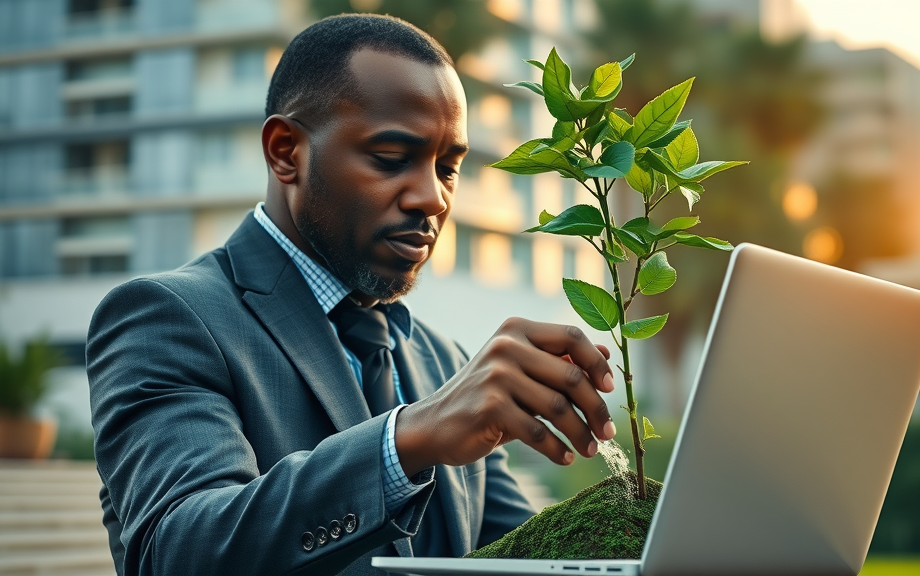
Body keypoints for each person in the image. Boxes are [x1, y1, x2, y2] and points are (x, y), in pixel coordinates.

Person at [87, 13, 617, 576]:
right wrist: (406, 441)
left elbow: (514, 558)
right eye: (392, 159)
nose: (432, 198)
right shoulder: (164, 318)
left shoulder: (445, 363)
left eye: (447, 167)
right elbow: (179, 552)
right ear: (286, 151)